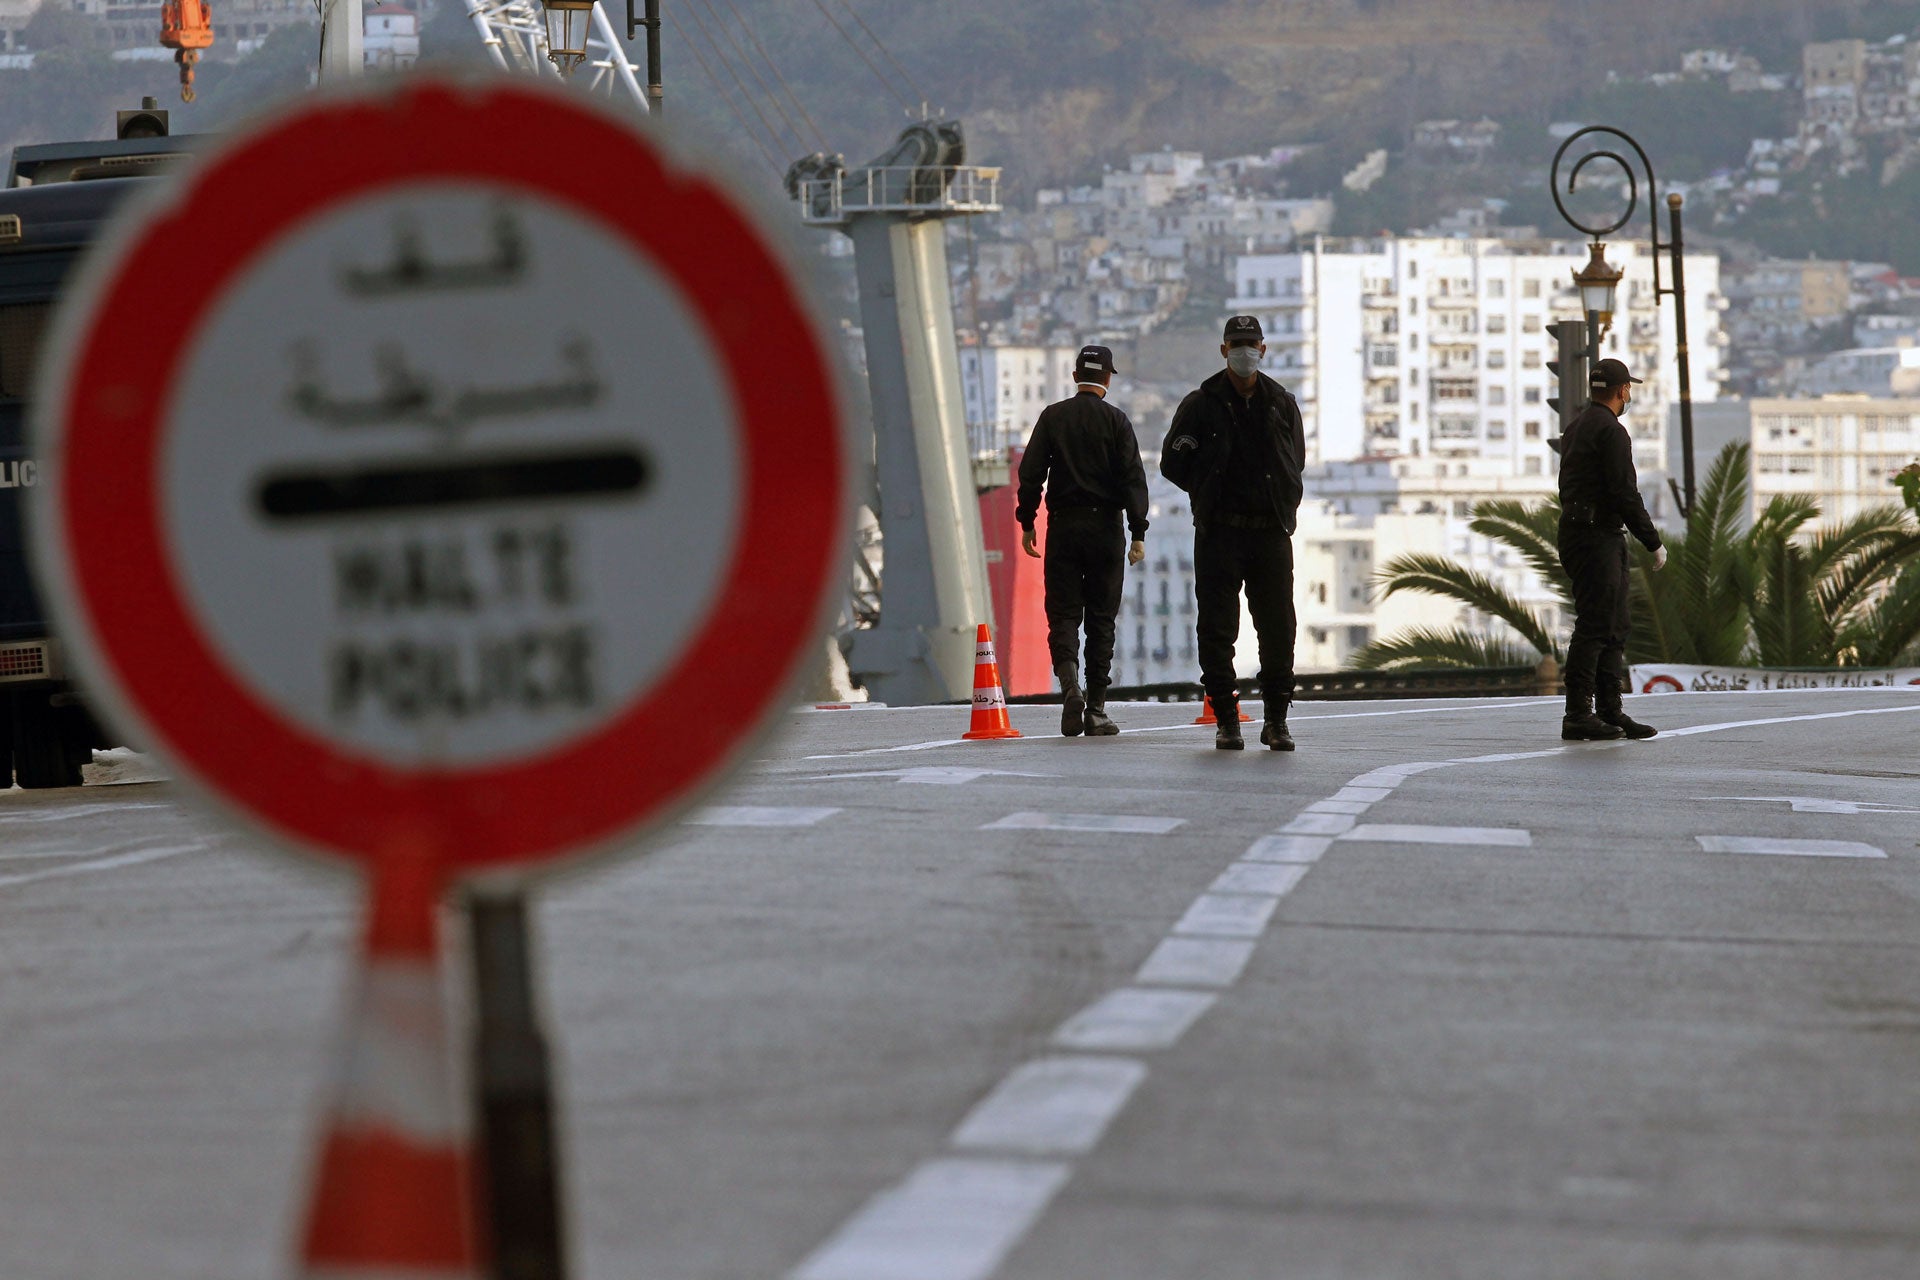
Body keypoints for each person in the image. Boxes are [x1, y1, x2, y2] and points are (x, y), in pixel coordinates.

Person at [1160, 315, 1306, 751]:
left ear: (1263, 349)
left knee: (1279, 629)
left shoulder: (1281, 401)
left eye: (1251, 344)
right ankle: (1227, 720)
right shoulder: (1200, 403)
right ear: (1224, 350)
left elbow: (1294, 460)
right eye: (1236, 344)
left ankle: (1277, 721)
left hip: (1270, 534)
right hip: (1219, 534)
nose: (1245, 352)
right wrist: (1207, 490)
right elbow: (1173, 462)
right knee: (1218, 631)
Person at [1015, 344, 1149, 737]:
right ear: (1108, 378)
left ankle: (1070, 687)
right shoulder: (1118, 421)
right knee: (1101, 620)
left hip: (1064, 528)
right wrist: (1137, 532)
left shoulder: (1053, 417)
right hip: (1106, 529)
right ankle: (1096, 709)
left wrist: (1027, 521)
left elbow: (1030, 474)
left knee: (1063, 615)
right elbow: (1133, 479)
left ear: (1075, 377)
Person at [1556, 357, 1666, 741]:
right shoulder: (1612, 432)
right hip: (1596, 537)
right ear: (1622, 391)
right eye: (1629, 389)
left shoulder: (1576, 427)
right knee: (1596, 626)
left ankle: (1610, 711)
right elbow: (1624, 492)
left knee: (1613, 625)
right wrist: (1652, 540)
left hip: (1582, 533)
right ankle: (1578, 714)